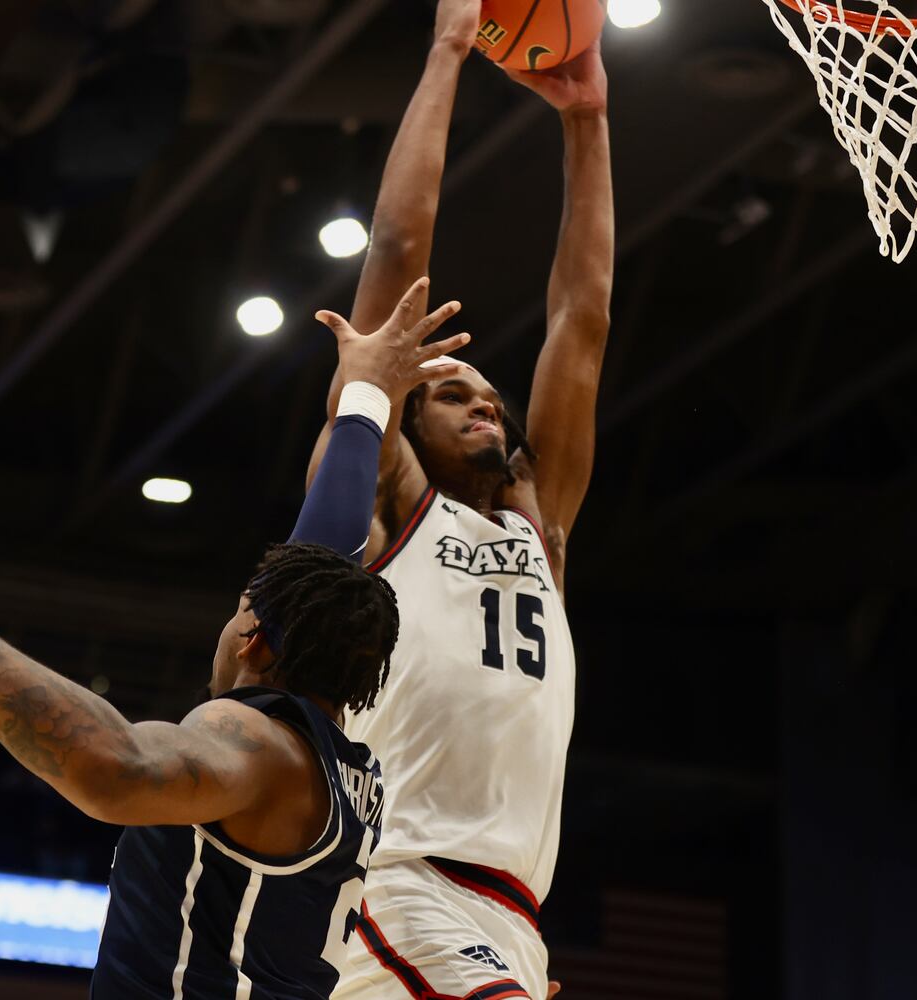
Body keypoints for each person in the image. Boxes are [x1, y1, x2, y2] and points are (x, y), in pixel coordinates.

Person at [0, 279, 471, 1000]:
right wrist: (368, 395)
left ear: (250, 638)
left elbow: (111, 767)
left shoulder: (259, 743)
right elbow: (324, 551)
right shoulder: (342, 769)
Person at [306, 4, 614, 998]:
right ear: (404, 421)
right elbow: (397, 247)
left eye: (489, 396)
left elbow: (582, 316)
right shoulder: (393, 506)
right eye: (448, 392)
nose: (482, 399)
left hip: (512, 914)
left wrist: (586, 120)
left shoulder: (539, 526)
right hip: (402, 877)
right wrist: (444, 53)